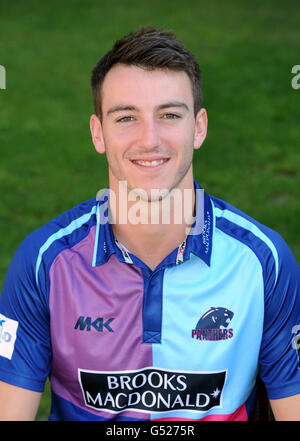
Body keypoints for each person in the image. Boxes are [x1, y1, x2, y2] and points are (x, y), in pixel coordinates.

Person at [0, 27, 299, 422]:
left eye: (170, 115)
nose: (149, 139)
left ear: (200, 127)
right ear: (98, 133)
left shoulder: (265, 263)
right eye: (126, 117)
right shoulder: (43, 263)